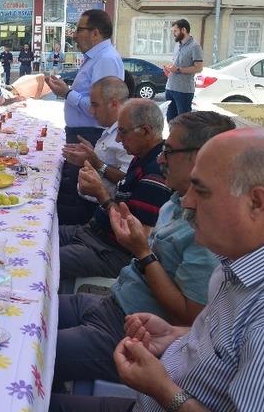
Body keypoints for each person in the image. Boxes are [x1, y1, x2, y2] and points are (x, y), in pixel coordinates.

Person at [52, 127, 264, 412]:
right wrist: (177, 335)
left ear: (256, 202)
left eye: (201, 191)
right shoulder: (246, 260)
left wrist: (163, 390)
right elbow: (228, 345)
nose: (187, 202)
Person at [51, 111, 233, 393]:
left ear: (200, 158)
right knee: (26, 307)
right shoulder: (176, 200)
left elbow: (189, 316)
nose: (161, 158)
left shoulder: (209, 229)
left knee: (27, 347)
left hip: (129, 334)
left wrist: (142, 252)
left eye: (169, 151)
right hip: (112, 304)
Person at [59, 99, 172, 280]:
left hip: (110, 252)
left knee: (40, 260)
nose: (119, 139)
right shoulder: (142, 156)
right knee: (34, 239)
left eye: (122, 131)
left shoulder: (156, 173)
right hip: (93, 234)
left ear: (145, 131)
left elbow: (133, 239)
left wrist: (101, 193)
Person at [58, 77, 132, 225]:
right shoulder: (110, 129)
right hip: (86, 201)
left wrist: (95, 162)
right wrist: (90, 154)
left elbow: (126, 180)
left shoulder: (127, 135)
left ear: (114, 104)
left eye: (95, 105)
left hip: (97, 211)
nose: (91, 111)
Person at [46, 10, 124, 146]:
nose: (74, 36)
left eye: (79, 30)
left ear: (95, 33)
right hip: (84, 133)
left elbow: (102, 108)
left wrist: (66, 93)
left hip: (90, 135)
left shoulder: (106, 59)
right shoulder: (97, 57)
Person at [162, 19, 204, 121]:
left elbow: (199, 68)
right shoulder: (177, 45)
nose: (174, 34)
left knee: (183, 122)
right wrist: (169, 70)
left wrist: (178, 70)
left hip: (183, 90)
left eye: (175, 31)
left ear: (184, 30)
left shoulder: (195, 46)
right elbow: (176, 64)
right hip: (170, 87)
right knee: (170, 120)